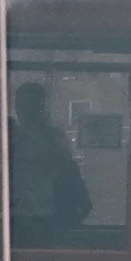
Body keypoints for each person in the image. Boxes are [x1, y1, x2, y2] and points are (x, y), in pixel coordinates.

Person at [9, 81, 91, 246]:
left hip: (50, 219)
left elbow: (67, 170)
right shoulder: (9, 137)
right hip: (16, 216)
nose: (30, 113)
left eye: (34, 107)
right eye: (26, 107)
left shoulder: (54, 138)